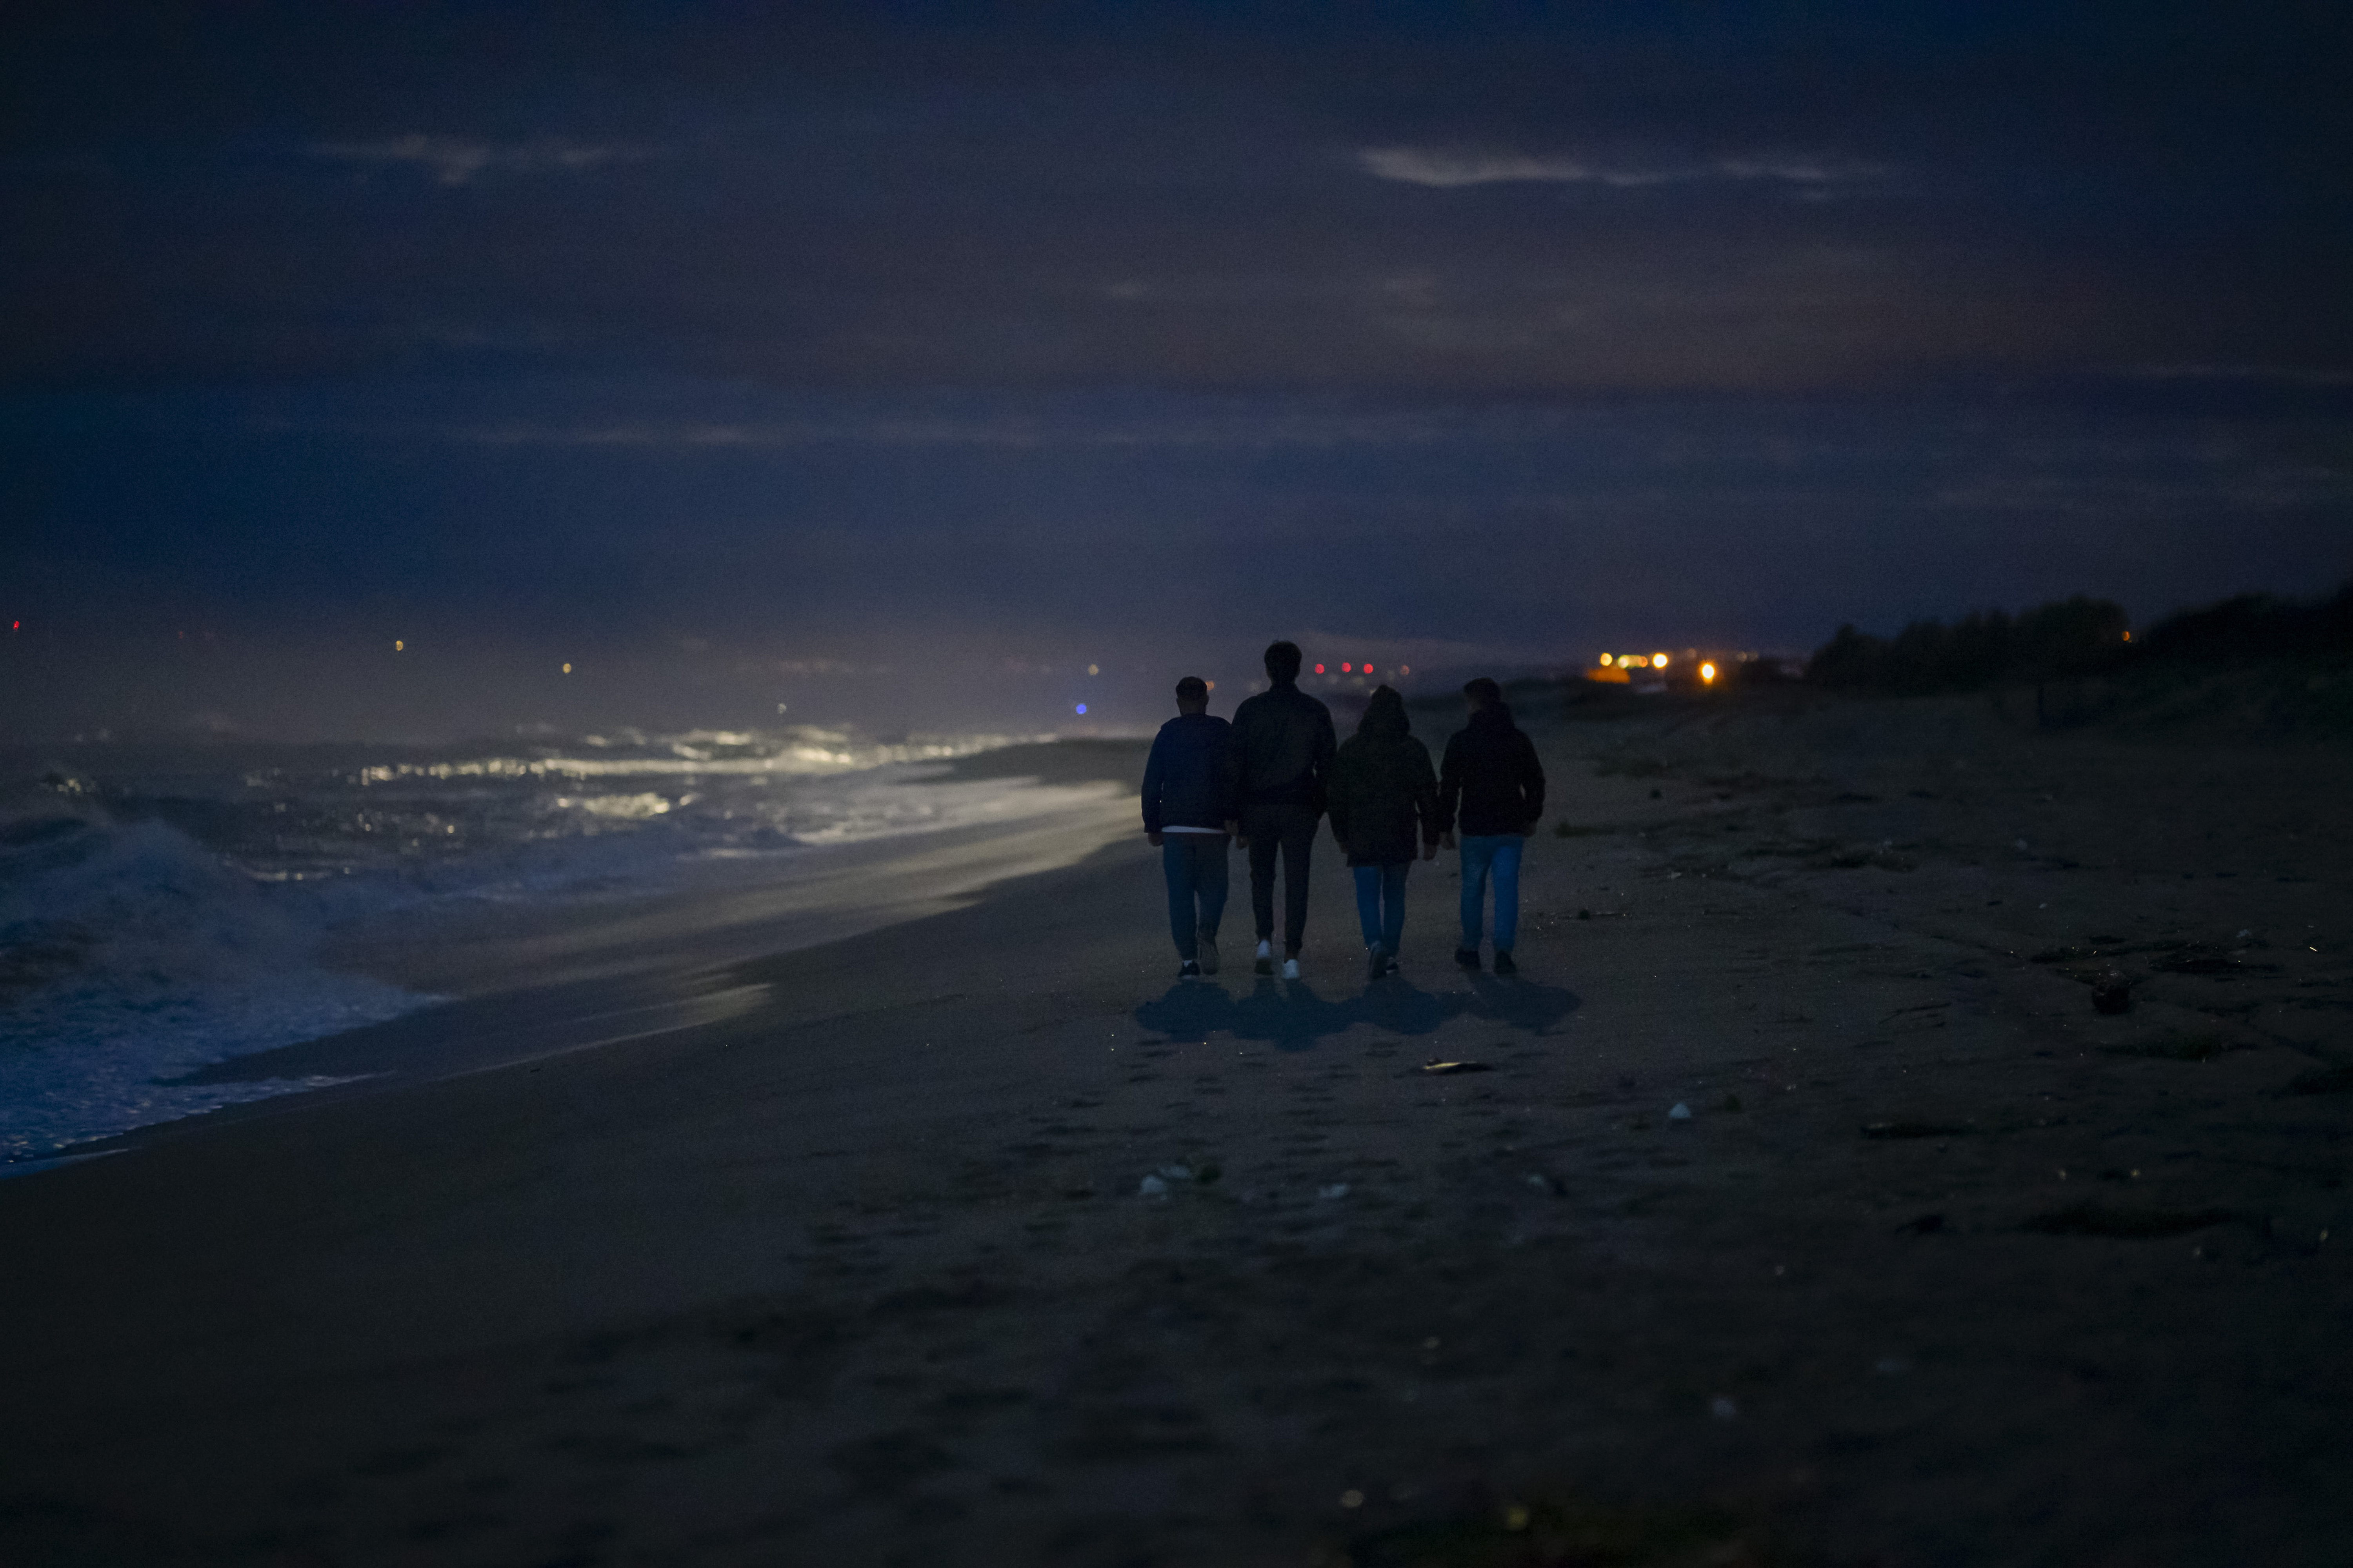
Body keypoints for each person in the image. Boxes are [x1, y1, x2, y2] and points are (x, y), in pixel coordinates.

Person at [1228, 640, 1336, 979]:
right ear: (1299, 668)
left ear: (1268, 670)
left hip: (1259, 809)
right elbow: (1328, 769)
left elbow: (1236, 767)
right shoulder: (1315, 711)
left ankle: (1264, 941)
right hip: (1300, 808)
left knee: (1262, 876)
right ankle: (1292, 955)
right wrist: (1320, 807)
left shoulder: (1249, 710)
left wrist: (1235, 815)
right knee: (1297, 879)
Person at [1326, 684, 1441, 982]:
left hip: (1362, 834)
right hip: (1401, 831)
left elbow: (1337, 797)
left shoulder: (1352, 748)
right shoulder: (1413, 748)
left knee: (1366, 895)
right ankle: (1390, 953)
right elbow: (1428, 795)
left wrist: (1341, 835)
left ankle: (1375, 944)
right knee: (1394, 895)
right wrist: (1431, 837)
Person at [1436, 677, 1546, 975]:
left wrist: (1444, 826)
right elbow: (1535, 781)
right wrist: (1532, 816)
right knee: (1507, 890)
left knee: (1473, 890)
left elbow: (1449, 787)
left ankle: (1471, 948)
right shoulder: (1517, 739)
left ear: (1473, 703)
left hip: (1475, 827)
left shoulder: (1461, 741)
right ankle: (1503, 951)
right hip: (1510, 826)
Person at [1140, 675, 1239, 979]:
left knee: (1180, 896)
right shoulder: (1223, 731)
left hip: (1175, 829)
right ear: (1206, 700)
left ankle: (1188, 963)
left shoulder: (1167, 733)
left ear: (1179, 702)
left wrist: (1152, 825)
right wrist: (1236, 818)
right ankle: (1207, 933)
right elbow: (1235, 778)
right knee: (1215, 891)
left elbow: (1151, 784)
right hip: (1213, 827)